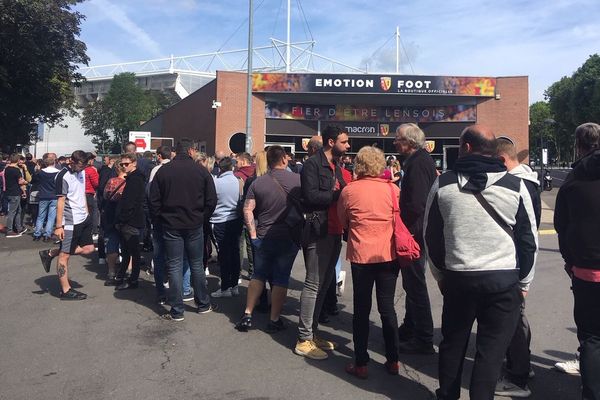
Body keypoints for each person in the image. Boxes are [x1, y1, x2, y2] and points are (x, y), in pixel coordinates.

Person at [424, 124, 538, 400]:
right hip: (503, 281)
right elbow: (528, 240)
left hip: (459, 279)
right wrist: (524, 282)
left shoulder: (444, 183)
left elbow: (431, 236)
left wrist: (441, 275)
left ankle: (447, 395)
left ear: (465, 148)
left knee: (453, 345)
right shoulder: (516, 186)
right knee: (490, 352)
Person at [338, 146, 402, 379]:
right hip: (388, 255)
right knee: (387, 308)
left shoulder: (350, 190)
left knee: (361, 309)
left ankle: (361, 362)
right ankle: (393, 360)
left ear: (359, 165)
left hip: (361, 255)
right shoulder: (393, 190)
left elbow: (343, 221)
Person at [294, 125, 350, 360]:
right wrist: (340, 195)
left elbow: (339, 190)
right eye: (344, 142)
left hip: (334, 230)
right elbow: (311, 196)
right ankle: (303, 339)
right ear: (330, 142)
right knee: (313, 283)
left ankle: (312, 332)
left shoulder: (336, 166)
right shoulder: (312, 165)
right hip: (318, 230)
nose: (348, 146)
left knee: (326, 283)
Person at [554, 122, 600, 400]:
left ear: (578, 145)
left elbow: (562, 225)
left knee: (592, 338)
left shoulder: (573, 181)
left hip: (587, 269)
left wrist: (570, 262)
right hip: (584, 266)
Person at [494, 136, 542, 398]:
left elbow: (526, 234)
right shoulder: (529, 182)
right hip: (520, 262)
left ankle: (517, 374)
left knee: (513, 319)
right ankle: (520, 364)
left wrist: (524, 277)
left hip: (513, 263)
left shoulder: (517, 185)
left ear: (502, 160)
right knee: (518, 317)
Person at [235, 145, 301, 333]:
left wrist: (253, 234)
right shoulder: (297, 180)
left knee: (259, 274)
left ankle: (248, 314)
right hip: (288, 236)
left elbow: (247, 209)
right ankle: (274, 319)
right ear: (283, 160)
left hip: (263, 235)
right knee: (281, 278)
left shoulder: (258, 182)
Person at [149, 138, 217, 321]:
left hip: (171, 224)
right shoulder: (201, 171)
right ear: (191, 151)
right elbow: (212, 199)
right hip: (194, 223)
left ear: (175, 152)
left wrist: (159, 219)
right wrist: (203, 218)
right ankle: (203, 303)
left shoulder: (164, 171)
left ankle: (177, 309)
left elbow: (153, 200)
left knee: (175, 265)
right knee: (196, 264)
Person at [393, 123, 437, 354]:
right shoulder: (418, 161)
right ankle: (410, 327)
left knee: (415, 285)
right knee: (412, 284)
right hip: (418, 232)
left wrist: (401, 224)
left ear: (409, 142)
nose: (394, 142)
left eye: (398, 138)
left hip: (415, 234)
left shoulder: (418, 164)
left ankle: (423, 337)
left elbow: (417, 204)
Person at [39, 150, 96, 300]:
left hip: (83, 217)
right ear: (72, 161)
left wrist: (86, 211)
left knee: (89, 249)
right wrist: (58, 226)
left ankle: (51, 253)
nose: (82, 168)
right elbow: (61, 201)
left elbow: (82, 192)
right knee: (65, 256)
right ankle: (65, 291)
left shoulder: (82, 171)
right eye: (80, 165)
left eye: (84, 165)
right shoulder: (62, 176)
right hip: (70, 221)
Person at [210, 157, 244, 298]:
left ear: (220, 168)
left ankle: (225, 287)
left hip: (219, 221)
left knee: (223, 255)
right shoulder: (238, 181)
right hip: (235, 220)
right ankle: (234, 285)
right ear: (232, 167)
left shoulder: (216, 183)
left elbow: (211, 201)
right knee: (235, 252)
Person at [113, 153, 146, 290]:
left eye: (126, 164)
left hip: (130, 220)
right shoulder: (133, 178)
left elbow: (130, 202)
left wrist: (123, 218)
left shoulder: (135, 179)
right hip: (129, 219)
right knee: (128, 250)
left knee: (132, 251)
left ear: (134, 163)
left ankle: (132, 279)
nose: (124, 166)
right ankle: (123, 276)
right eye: (122, 164)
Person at [102, 159, 127, 285]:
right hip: (125, 214)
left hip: (111, 214)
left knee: (112, 242)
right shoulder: (130, 182)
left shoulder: (111, 181)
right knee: (128, 244)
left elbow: (105, 196)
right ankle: (128, 269)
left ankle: (111, 271)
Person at [32, 154, 60, 242]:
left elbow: (34, 180)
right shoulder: (58, 172)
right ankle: (47, 235)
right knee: (51, 217)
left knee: (40, 216)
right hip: (54, 196)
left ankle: (37, 234)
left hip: (43, 195)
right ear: (54, 162)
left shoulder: (41, 172)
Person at [4, 153, 28, 237]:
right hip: (15, 192)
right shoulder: (16, 170)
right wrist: (26, 182)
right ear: (17, 160)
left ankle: (19, 227)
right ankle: (10, 230)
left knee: (18, 210)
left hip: (9, 192)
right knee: (12, 212)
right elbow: (20, 182)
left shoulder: (7, 169)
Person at [84, 153, 100, 237]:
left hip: (81, 194)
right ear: (90, 160)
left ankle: (85, 230)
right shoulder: (91, 170)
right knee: (94, 212)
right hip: (90, 193)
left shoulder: (81, 169)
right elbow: (97, 183)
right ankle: (94, 231)